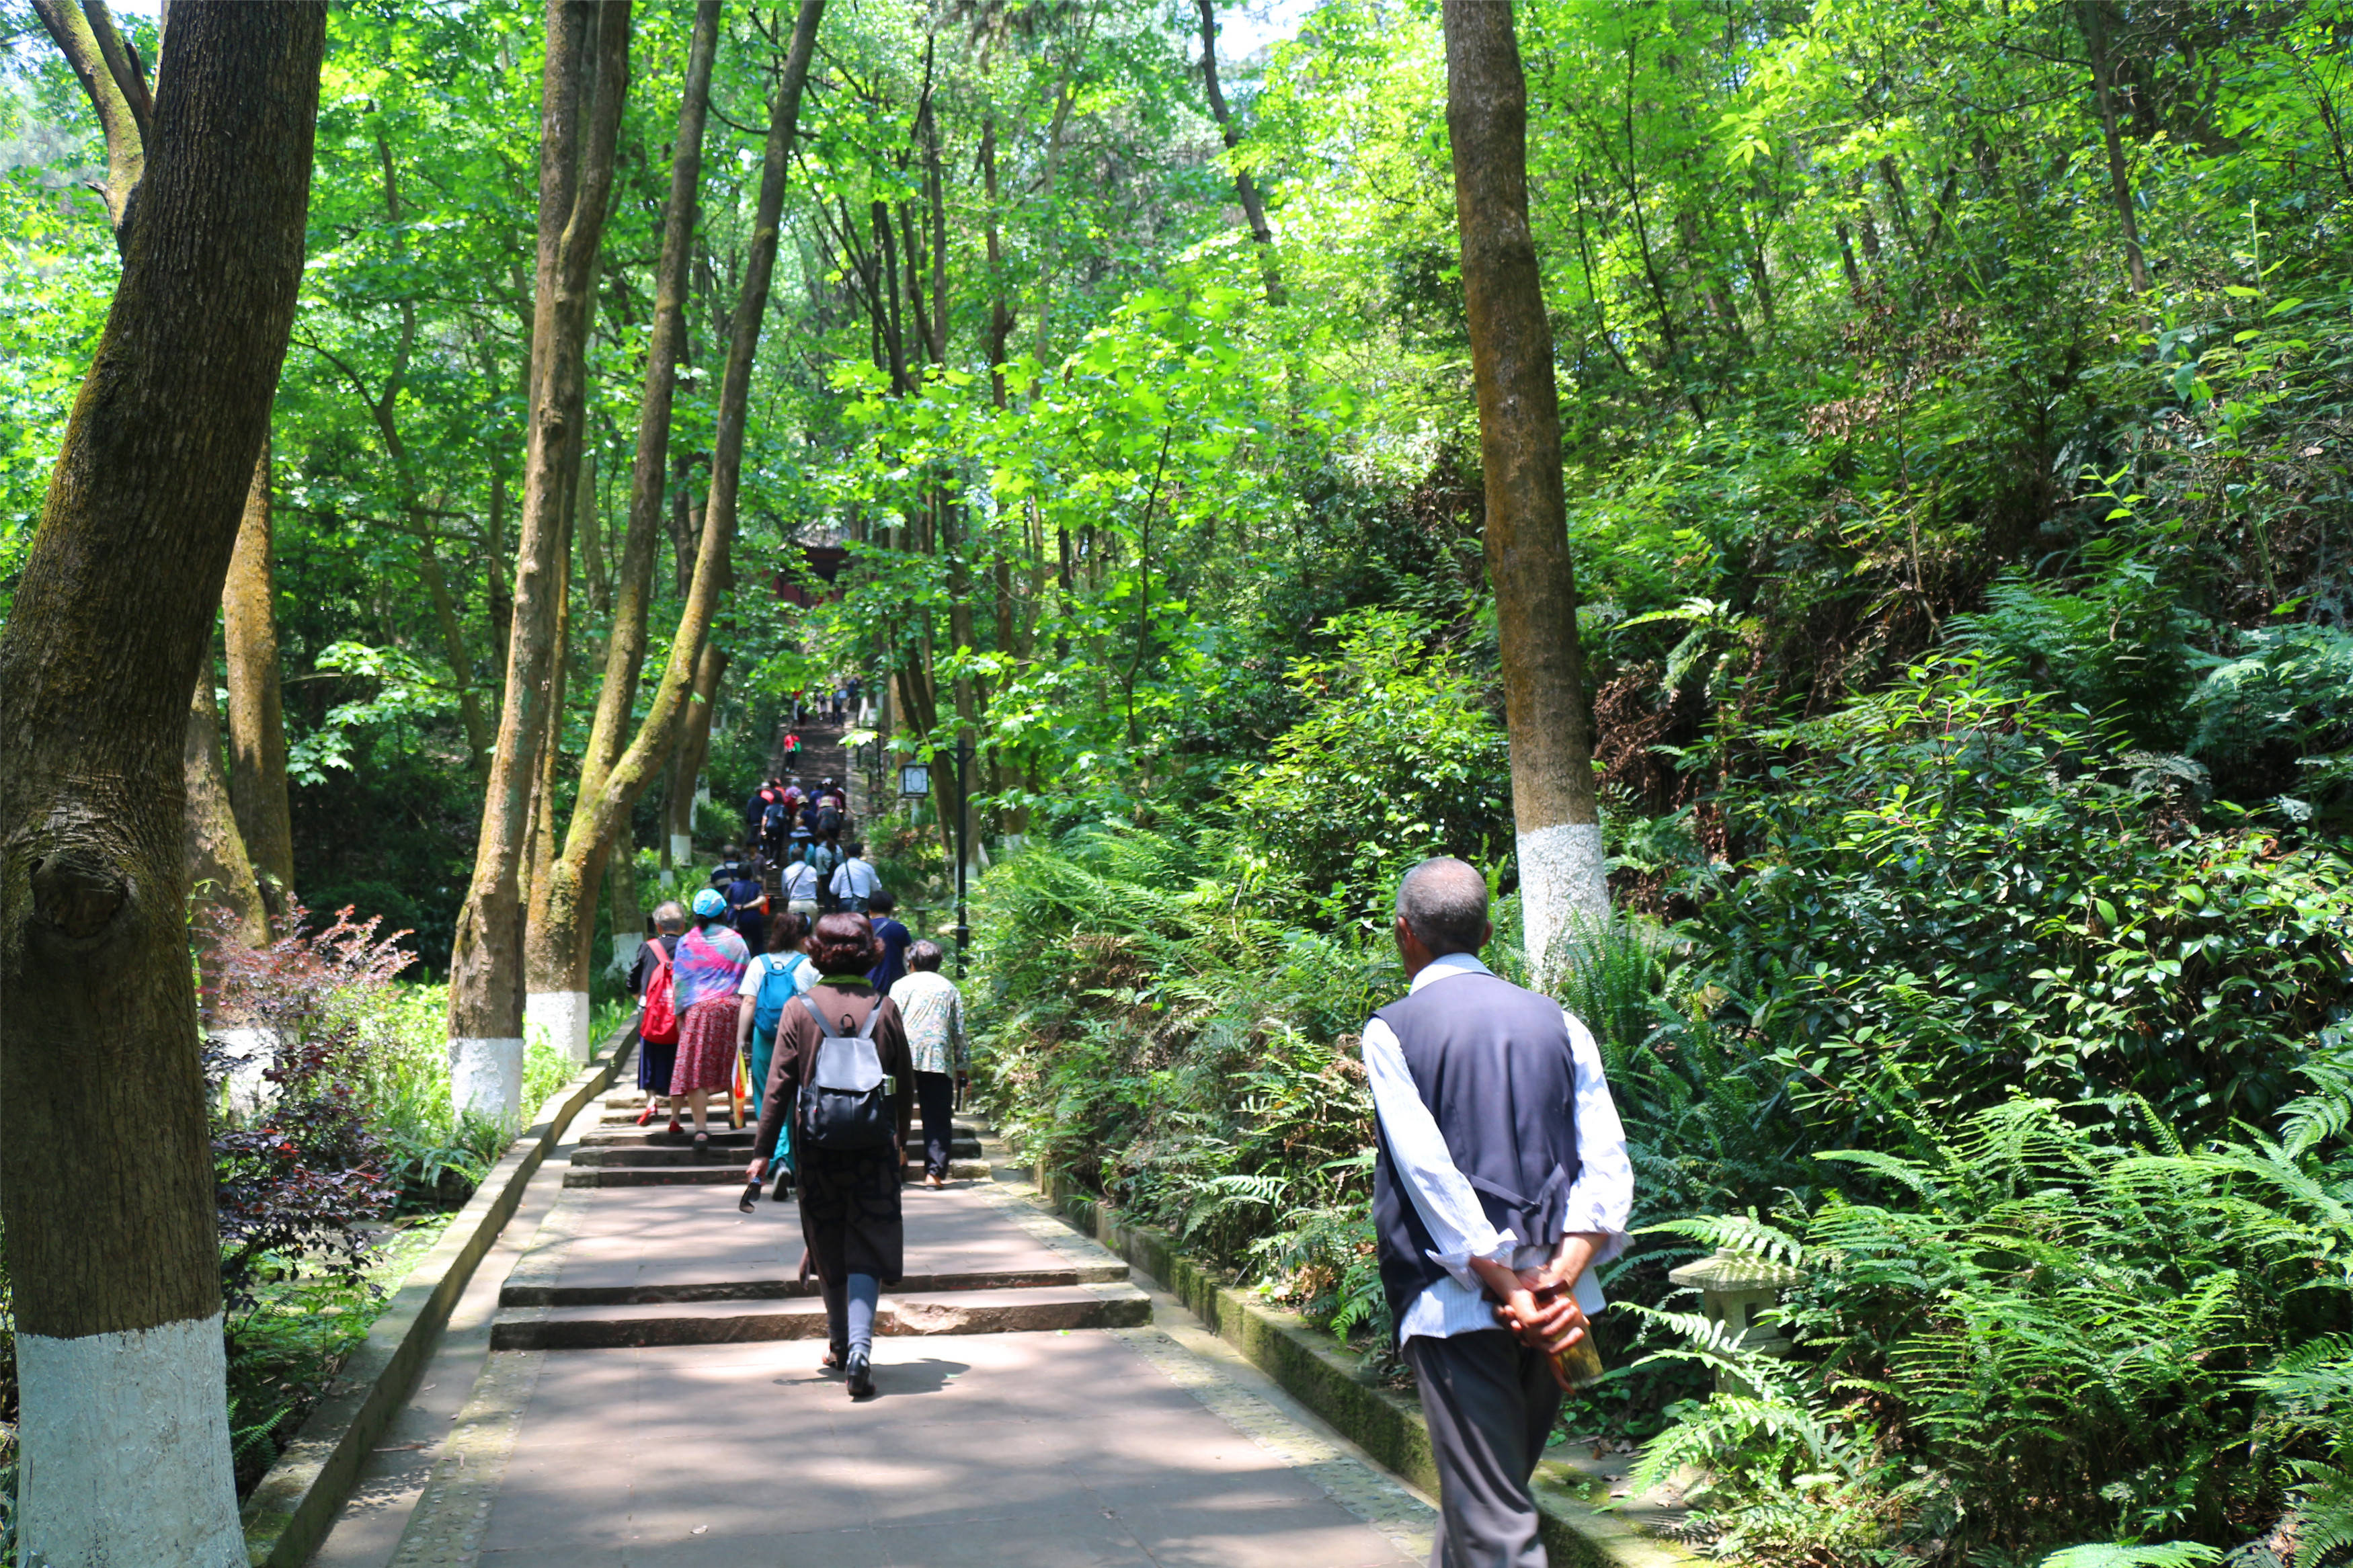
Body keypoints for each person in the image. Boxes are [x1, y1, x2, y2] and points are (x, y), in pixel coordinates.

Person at [1364, 858, 1632, 1568]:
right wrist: (1558, 1280)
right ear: (1487, 930)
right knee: (1487, 1500)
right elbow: (1605, 1160)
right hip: (1560, 1307)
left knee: (1495, 1523)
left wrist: (1509, 1286)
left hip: (1458, 1306)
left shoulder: (1392, 1030)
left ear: (1403, 934)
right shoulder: (1560, 1021)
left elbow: (1429, 1175)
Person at [745, 913, 914, 1399]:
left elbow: (777, 1088)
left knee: (827, 1239)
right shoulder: (885, 1007)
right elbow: (904, 1082)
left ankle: (839, 1343)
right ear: (869, 953)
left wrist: (762, 1153)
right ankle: (860, 1349)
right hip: (874, 1145)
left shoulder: (800, 1009)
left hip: (815, 1147)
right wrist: (900, 1138)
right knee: (868, 1236)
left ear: (817, 952)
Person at [668, 888, 754, 1147]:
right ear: (723, 912)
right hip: (731, 1007)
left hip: (699, 1010)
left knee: (696, 1068)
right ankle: (734, 1112)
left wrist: (680, 1014)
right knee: (731, 1058)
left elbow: (680, 981)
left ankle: (702, 1130)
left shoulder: (686, 942)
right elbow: (746, 976)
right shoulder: (736, 940)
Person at [736, 911, 817, 1180]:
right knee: (796, 1098)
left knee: (766, 1097)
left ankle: (778, 1158)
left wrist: (740, 1041)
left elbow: (748, 1002)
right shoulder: (810, 965)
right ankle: (792, 1162)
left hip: (766, 1038)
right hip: (800, 1040)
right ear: (803, 937)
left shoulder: (759, 963)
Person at [890, 940, 967, 1188]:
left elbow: (888, 1023)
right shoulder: (948, 988)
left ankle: (898, 1155)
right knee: (937, 1115)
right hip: (938, 1057)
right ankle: (933, 1173)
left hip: (902, 1056)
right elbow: (959, 1031)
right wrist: (962, 1068)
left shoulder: (899, 986)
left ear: (910, 963)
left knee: (896, 1109)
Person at [631, 905, 686, 1134]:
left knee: (650, 1060)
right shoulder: (688, 948)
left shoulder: (648, 947)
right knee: (679, 1065)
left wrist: (647, 1001)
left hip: (653, 1016)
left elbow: (631, 982)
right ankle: (675, 1117)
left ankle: (651, 1103)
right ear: (683, 926)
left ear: (658, 926)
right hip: (682, 1017)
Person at [867, 888, 911, 996]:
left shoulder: (860, 928)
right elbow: (909, 958)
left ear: (870, 911)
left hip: (866, 984)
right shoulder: (900, 929)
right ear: (891, 910)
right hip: (894, 983)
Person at [727, 860, 768, 953]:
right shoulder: (755, 886)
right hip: (753, 919)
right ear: (751, 874)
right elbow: (762, 900)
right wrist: (746, 906)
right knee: (758, 944)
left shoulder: (732, 886)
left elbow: (725, 899)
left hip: (736, 920)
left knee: (736, 946)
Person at [830, 839, 880, 913]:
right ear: (861, 854)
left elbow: (833, 890)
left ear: (847, 854)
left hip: (846, 902)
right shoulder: (868, 867)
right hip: (863, 903)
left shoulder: (842, 868)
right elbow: (877, 887)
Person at [778, 848, 822, 923]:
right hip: (810, 904)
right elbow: (816, 887)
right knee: (812, 932)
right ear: (804, 857)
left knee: (794, 932)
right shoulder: (813, 870)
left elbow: (784, 891)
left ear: (791, 858)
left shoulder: (786, 871)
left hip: (795, 904)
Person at [806, 833, 843, 913]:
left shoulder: (820, 849)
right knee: (837, 895)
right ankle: (839, 912)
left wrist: (818, 876)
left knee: (827, 895)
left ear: (820, 839)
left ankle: (828, 913)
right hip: (836, 873)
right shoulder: (837, 847)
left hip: (825, 874)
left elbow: (819, 863)